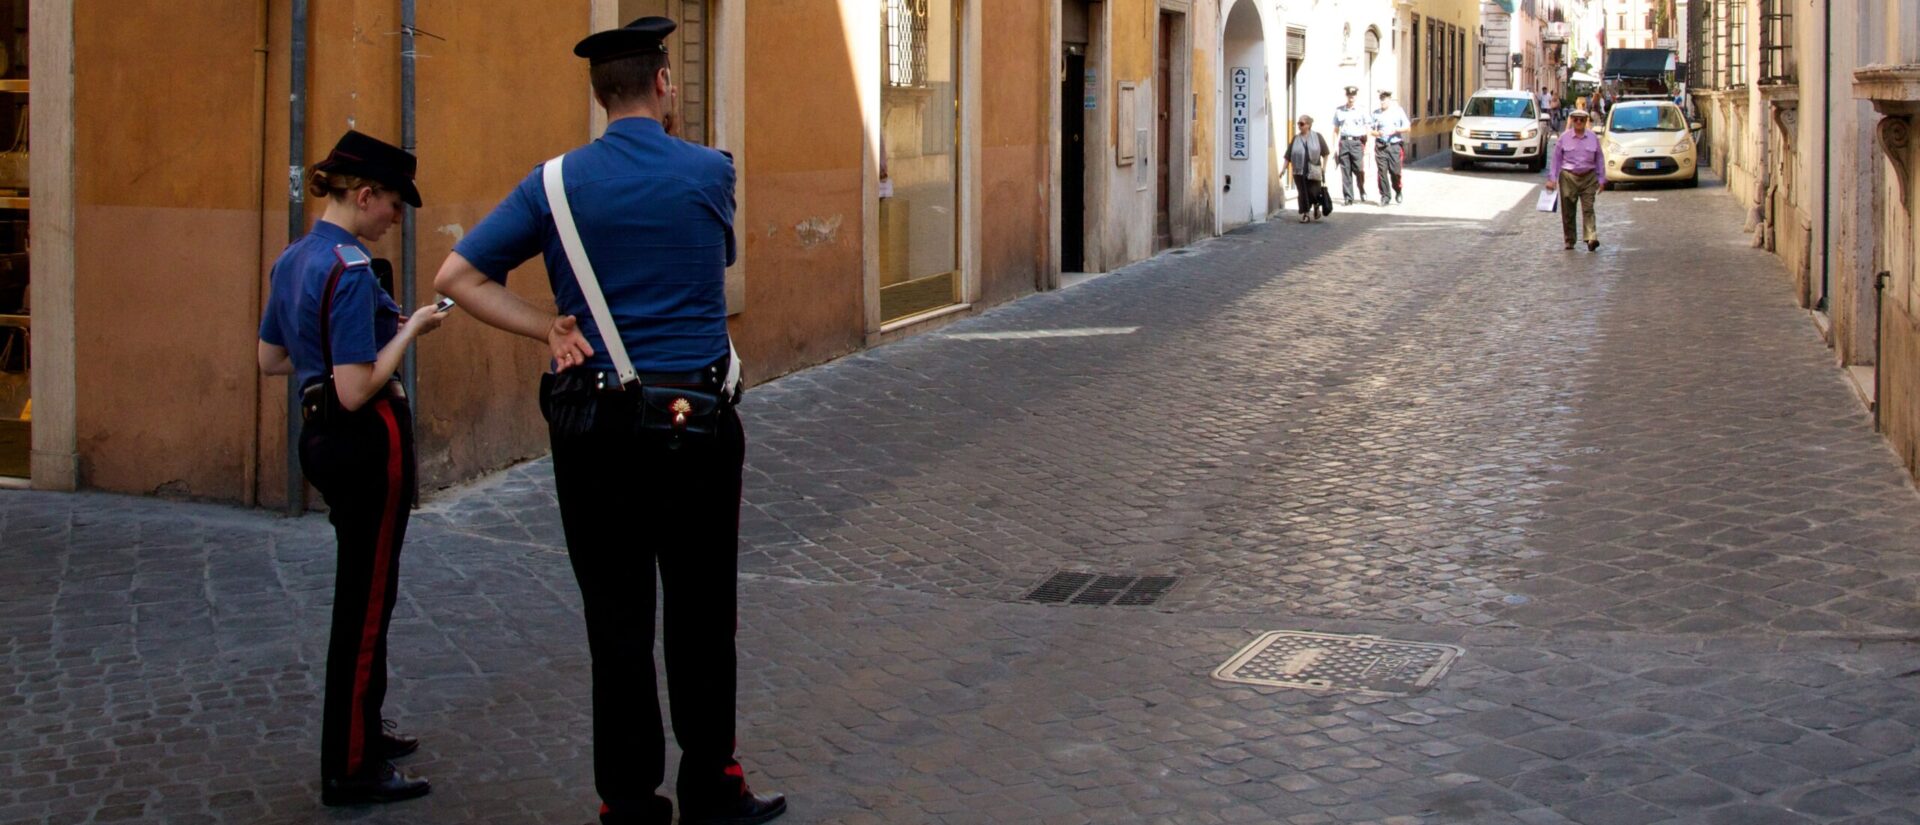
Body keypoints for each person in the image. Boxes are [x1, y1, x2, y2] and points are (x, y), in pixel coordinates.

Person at [432, 16, 784, 825]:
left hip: (597, 426)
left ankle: (627, 801)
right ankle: (711, 787)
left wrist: (548, 327)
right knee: (701, 614)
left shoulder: (551, 185)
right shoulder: (709, 171)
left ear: (597, 97)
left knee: (616, 619)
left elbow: (458, 274)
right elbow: (717, 257)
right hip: (695, 422)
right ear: (664, 83)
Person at [256, 130, 448, 806]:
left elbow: (271, 358)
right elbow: (355, 387)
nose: (396, 218)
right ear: (362, 195)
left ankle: (364, 728)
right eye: (393, 204)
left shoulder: (293, 259)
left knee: (366, 594)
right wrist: (412, 328)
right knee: (368, 603)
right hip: (364, 438)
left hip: (320, 438)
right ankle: (352, 761)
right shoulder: (351, 266)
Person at [1544, 108, 1607, 251]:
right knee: (1568, 210)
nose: (1578, 122)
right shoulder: (1564, 138)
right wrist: (1552, 179)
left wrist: (1602, 179)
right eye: (1576, 119)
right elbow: (1556, 160)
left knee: (1588, 208)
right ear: (1571, 120)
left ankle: (1591, 238)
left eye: (1582, 119)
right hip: (1568, 177)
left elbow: (1599, 160)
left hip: (1589, 177)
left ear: (1586, 121)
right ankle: (1569, 240)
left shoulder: (1592, 138)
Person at [1281, 115, 1331, 222]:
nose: (1299, 126)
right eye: (1298, 123)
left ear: (1308, 125)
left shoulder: (1317, 137)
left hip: (1314, 170)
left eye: (1302, 124)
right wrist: (1283, 169)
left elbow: (1326, 153)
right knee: (1303, 193)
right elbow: (1288, 156)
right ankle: (1306, 214)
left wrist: (1324, 167)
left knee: (1314, 192)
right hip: (1299, 171)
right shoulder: (1296, 139)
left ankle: (1317, 205)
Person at [1333, 85, 1372, 205]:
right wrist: (1335, 147)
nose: (1351, 97)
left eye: (1353, 95)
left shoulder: (1362, 110)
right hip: (1344, 142)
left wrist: (1368, 144)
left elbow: (1368, 127)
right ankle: (1348, 197)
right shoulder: (1339, 110)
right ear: (1346, 96)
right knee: (1345, 171)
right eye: (1349, 95)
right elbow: (1335, 130)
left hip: (1357, 142)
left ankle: (1361, 188)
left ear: (1356, 96)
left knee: (1359, 169)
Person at [1370, 90, 1409, 205]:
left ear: (1389, 100)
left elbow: (1407, 128)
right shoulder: (1376, 113)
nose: (1382, 102)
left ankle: (1398, 190)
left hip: (1394, 146)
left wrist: (1397, 130)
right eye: (1381, 99)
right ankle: (1385, 196)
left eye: (1384, 100)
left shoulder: (1398, 111)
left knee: (1395, 172)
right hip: (1381, 145)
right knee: (1382, 172)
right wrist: (1377, 133)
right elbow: (1370, 130)